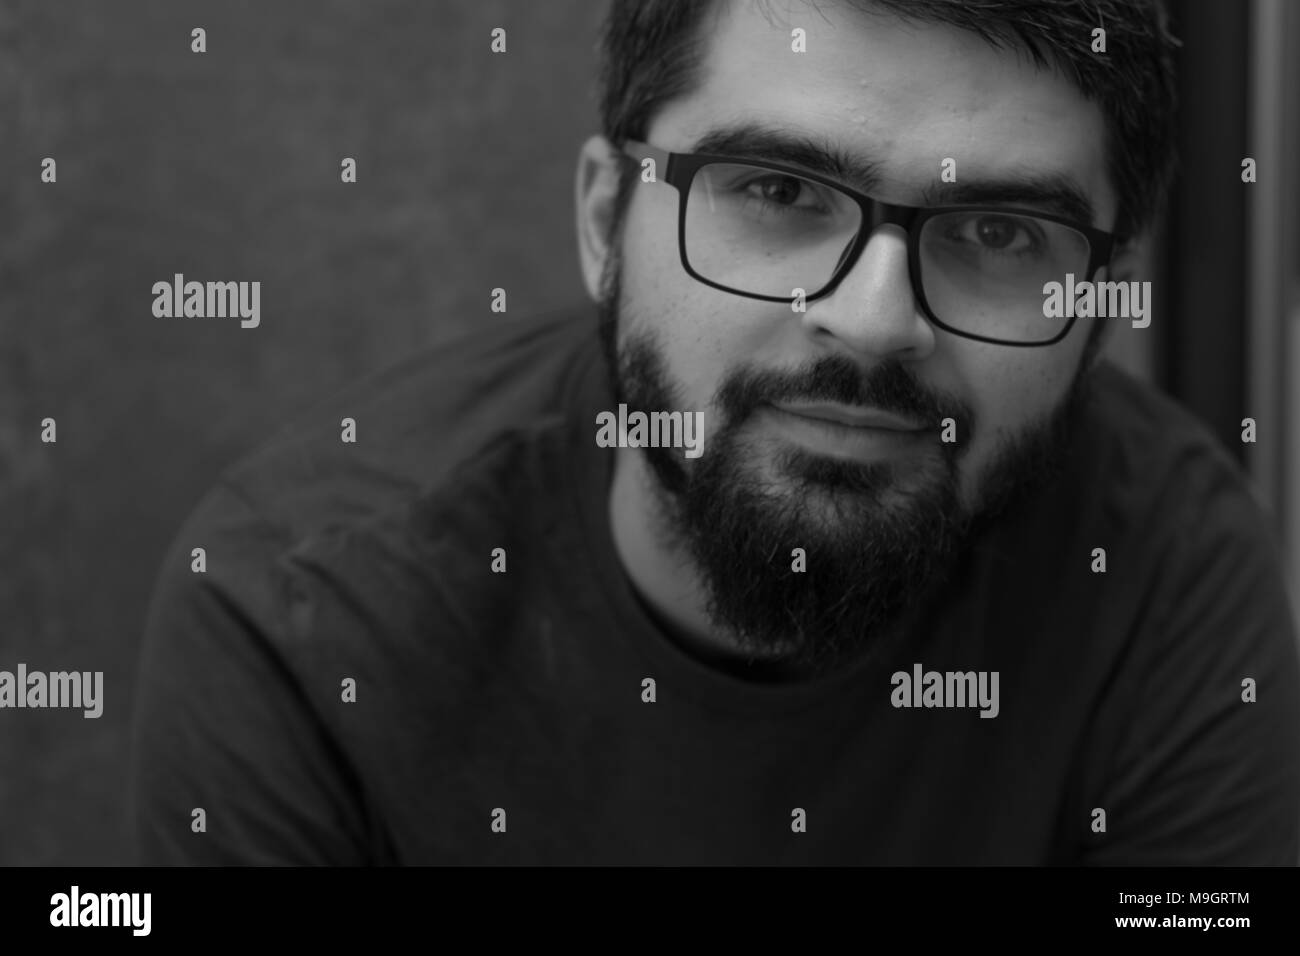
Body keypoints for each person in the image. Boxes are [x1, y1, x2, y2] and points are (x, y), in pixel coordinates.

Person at [131, 0, 1300, 865]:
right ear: (606, 222)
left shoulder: (1166, 566)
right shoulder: (300, 616)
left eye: (996, 233)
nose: (872, 319)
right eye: (778, 192)